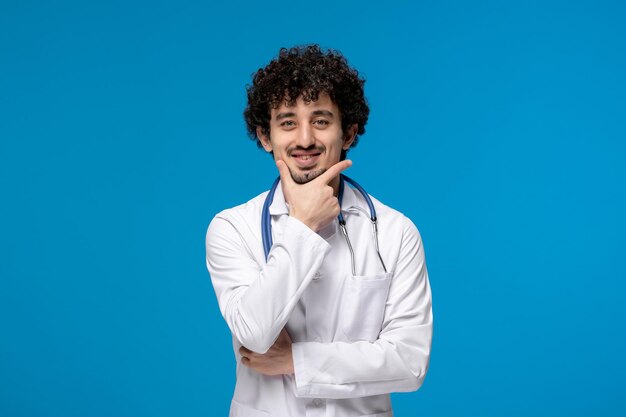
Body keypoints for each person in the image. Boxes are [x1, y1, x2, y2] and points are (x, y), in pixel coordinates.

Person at [205, 44, 433, 417]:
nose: (305, 139)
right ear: (265, 136)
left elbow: (409, 362)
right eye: (288, 122)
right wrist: (303, 225)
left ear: (349, 133)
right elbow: (254, 334)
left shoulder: (396, 232)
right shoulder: (232, 228)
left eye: (322, 120)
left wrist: (295, 360)